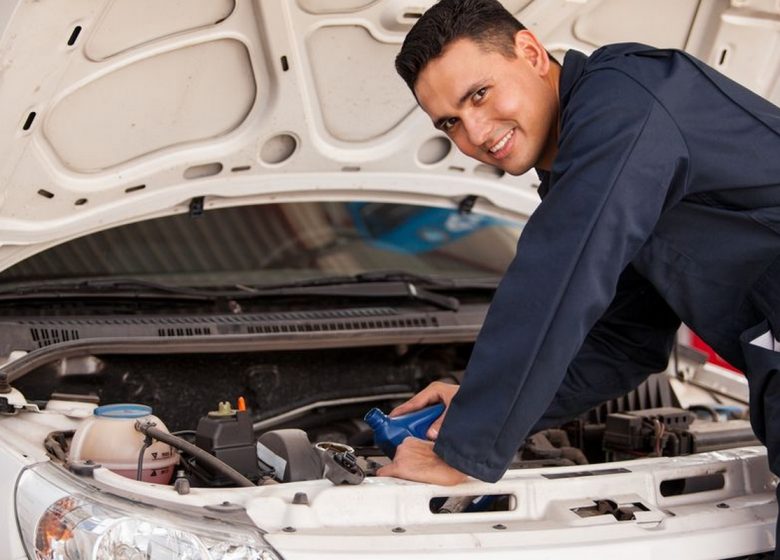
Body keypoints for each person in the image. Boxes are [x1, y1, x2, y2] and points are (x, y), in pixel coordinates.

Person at [376, 0, 780, 551]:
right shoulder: (602, 151)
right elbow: (622, 339)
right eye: (450, 121)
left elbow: (559, 275)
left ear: (531, 52)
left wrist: (464, 448)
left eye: (479, 94)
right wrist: (472, 404)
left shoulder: (626, 106)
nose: (473, 133)